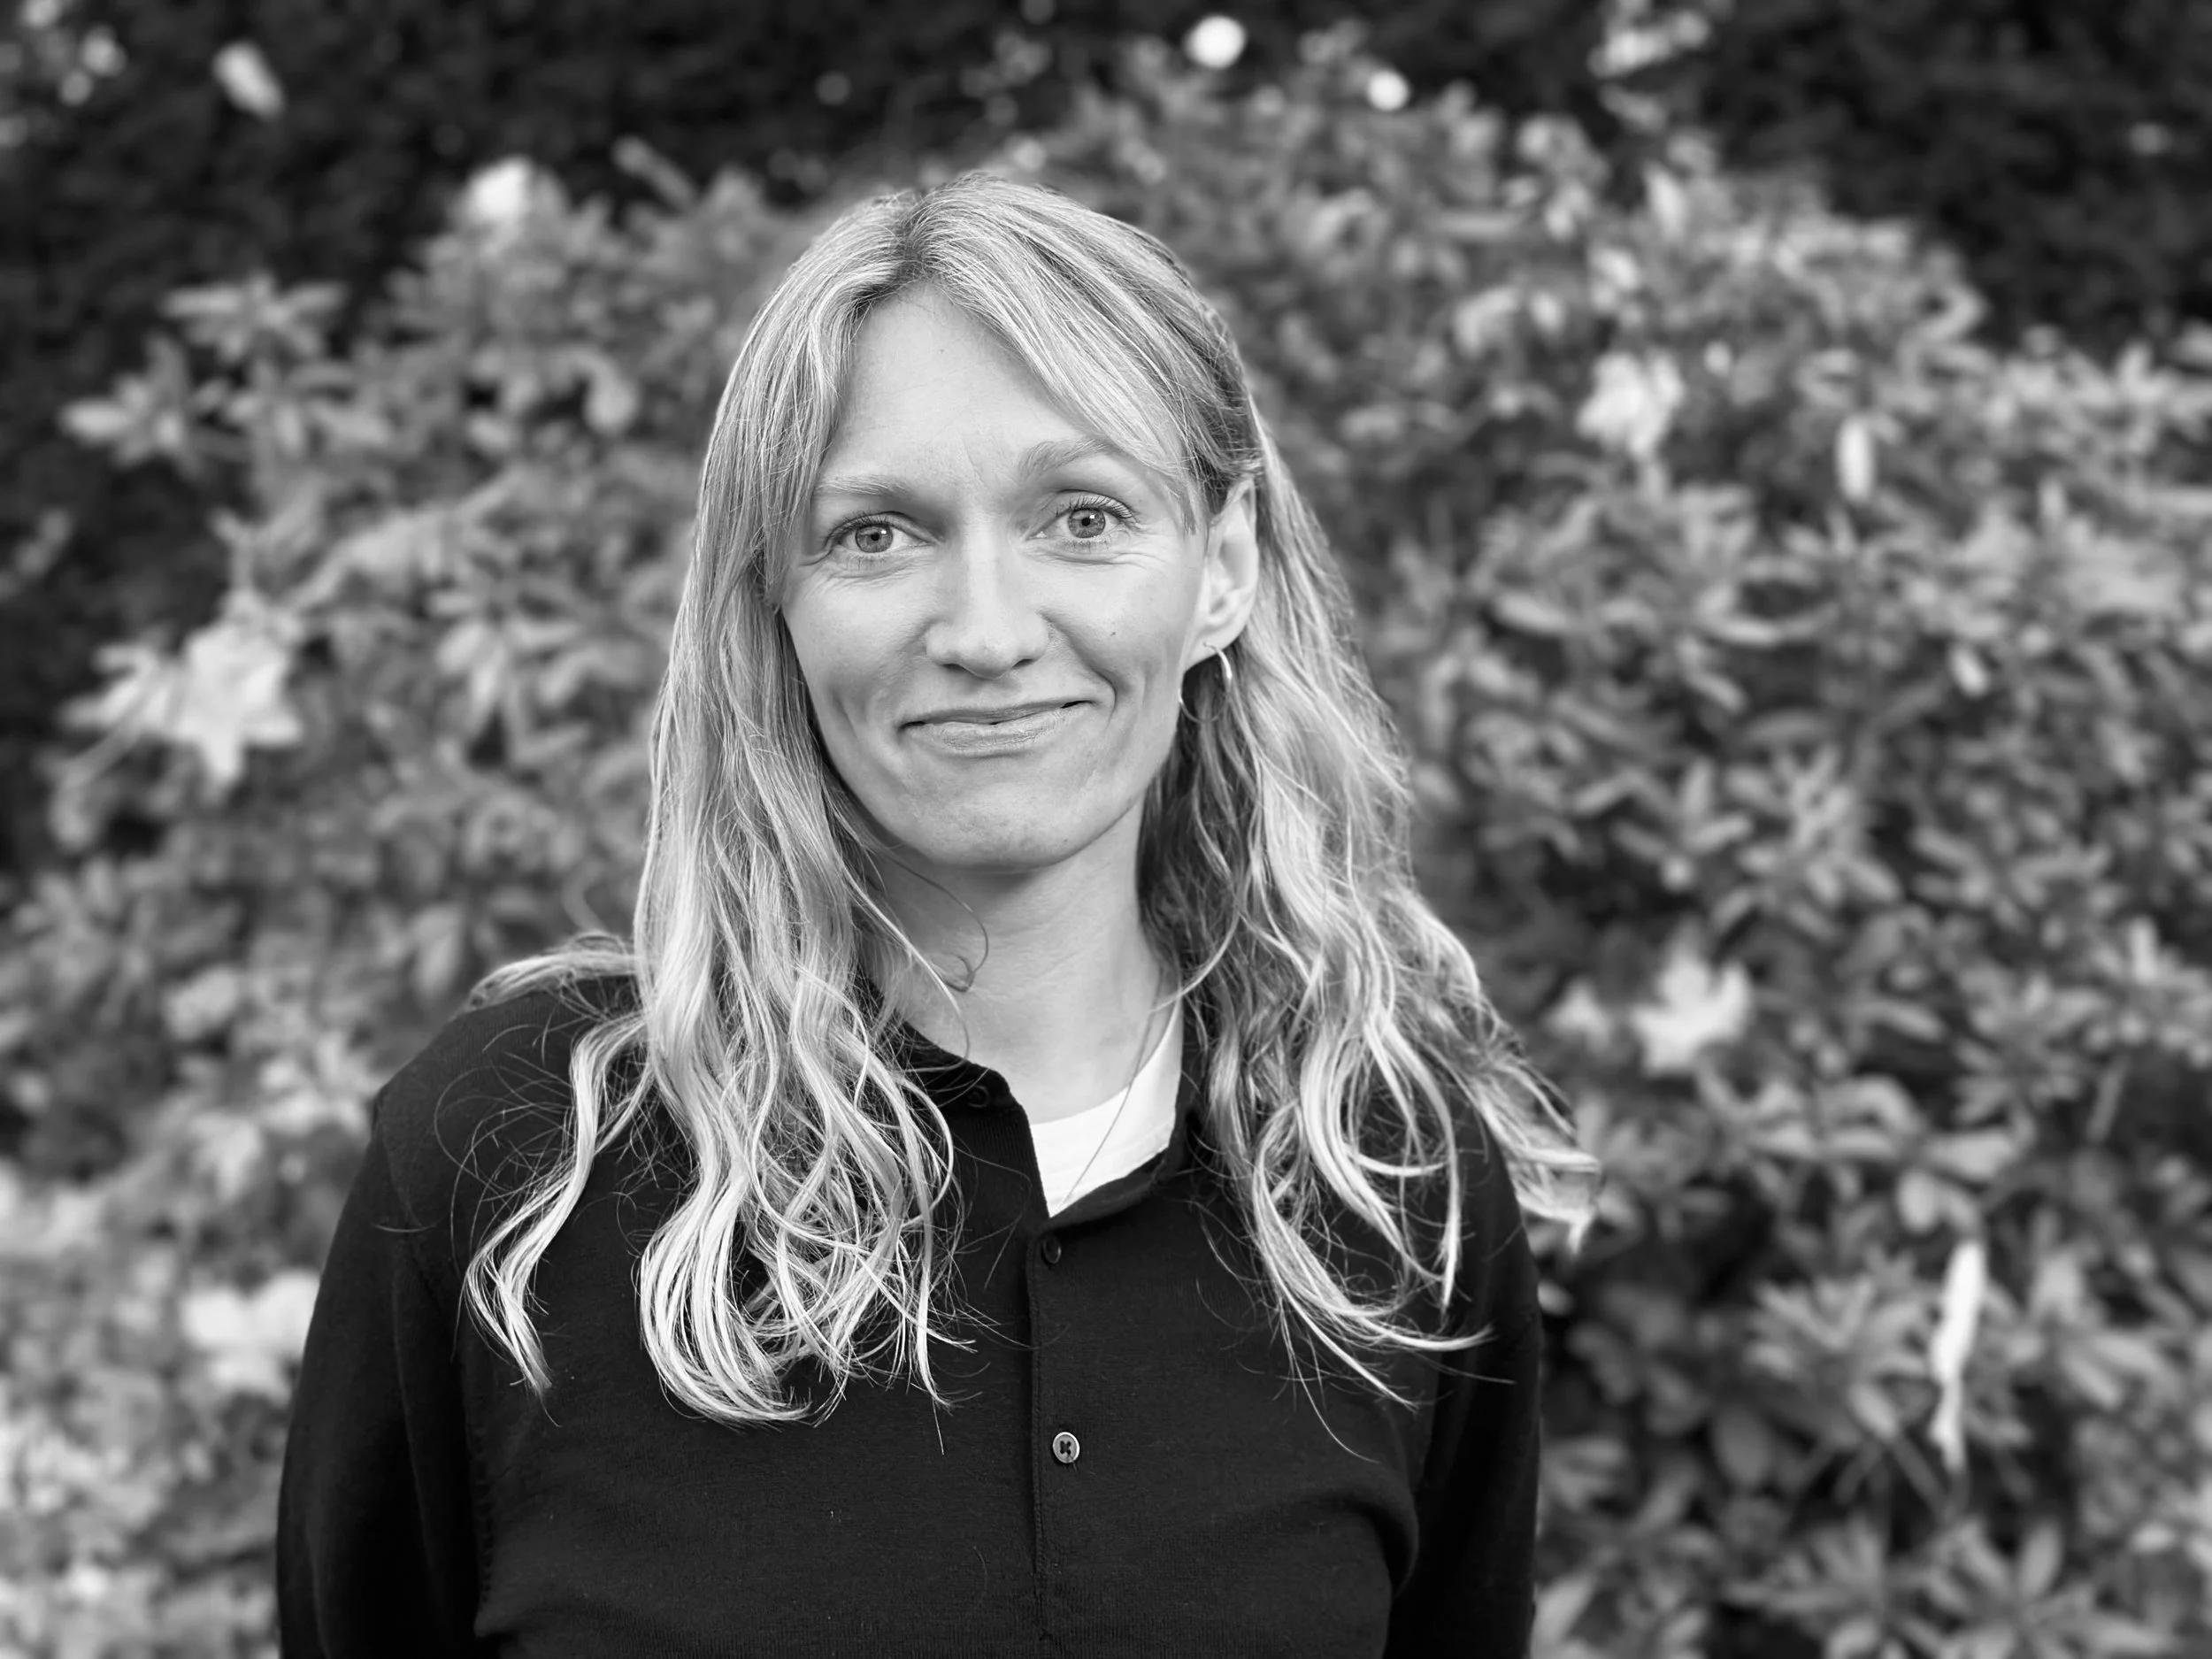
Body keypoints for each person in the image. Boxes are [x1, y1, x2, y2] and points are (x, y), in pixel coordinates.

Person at [276, 170, 1598, 1657]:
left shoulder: (1392, 1182)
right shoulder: (509, 1165)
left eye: (1083, 516)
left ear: (1221, 568)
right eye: (877, 534)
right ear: (773, 594)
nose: (985, 630)